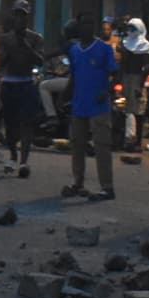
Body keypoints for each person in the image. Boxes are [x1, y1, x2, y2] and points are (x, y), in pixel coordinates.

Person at [60, 17, 118, 202]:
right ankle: (78, 182)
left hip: (98, 105)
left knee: (101, 146)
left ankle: (107, 187)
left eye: (90, 24)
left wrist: (107, 92)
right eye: (84, 24)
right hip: (79, 104)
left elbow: (116, 73)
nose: (87, 28)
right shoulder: (75, 51)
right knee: (77, 144)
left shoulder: (104, 49)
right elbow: (74, 76)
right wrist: (65, 96)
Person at [0, 1, 46, 178]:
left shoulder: (36, 38)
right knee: (10, 123)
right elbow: (1, 62)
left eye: (23, 14)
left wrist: (24, 45)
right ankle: (13, 155)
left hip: (26, 82)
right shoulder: (6, 38)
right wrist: (9, 50)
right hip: (10, 83)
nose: (20, 18)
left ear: (28, 16)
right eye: (17, 14)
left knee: (27, 124)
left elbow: (40, 60)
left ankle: (23, 161)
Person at [114, 17, 149, 151]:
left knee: (138, 110)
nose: (131, 31)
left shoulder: (145, 45)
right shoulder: (125, 43)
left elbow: (147, 67)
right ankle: (123, 139)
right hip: (125, 78)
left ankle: (136, 141)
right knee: (122, 108)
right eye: (129, 28)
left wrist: (141, 85)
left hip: (137, 79)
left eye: (134, 28)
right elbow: (121, 63)